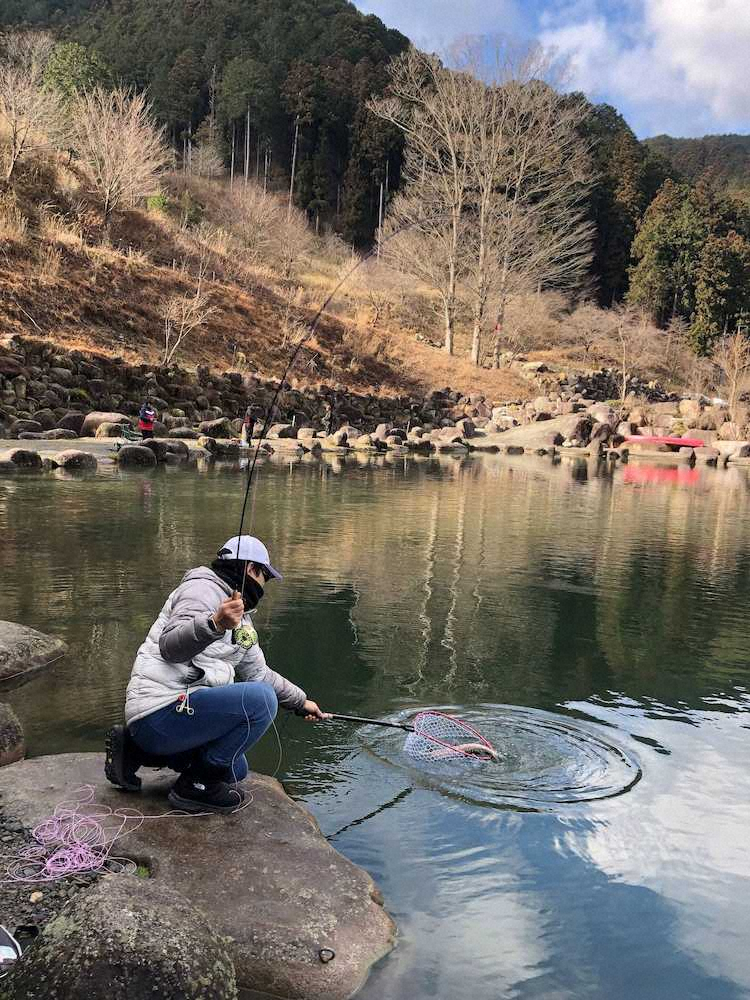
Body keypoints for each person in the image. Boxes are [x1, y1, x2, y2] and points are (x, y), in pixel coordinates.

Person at [105, 535, 329, 814]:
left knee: (235, 770)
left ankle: (134, 751)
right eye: (265, 577)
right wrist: (214, 624)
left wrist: (301, 702)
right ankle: (195, 787)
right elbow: (170, 647)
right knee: (261, 701)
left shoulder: (242, 618)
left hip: (176, 715)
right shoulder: (202, 589)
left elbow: (259, 675)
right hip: (158, 712)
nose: (264, 585)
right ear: (251, 569)